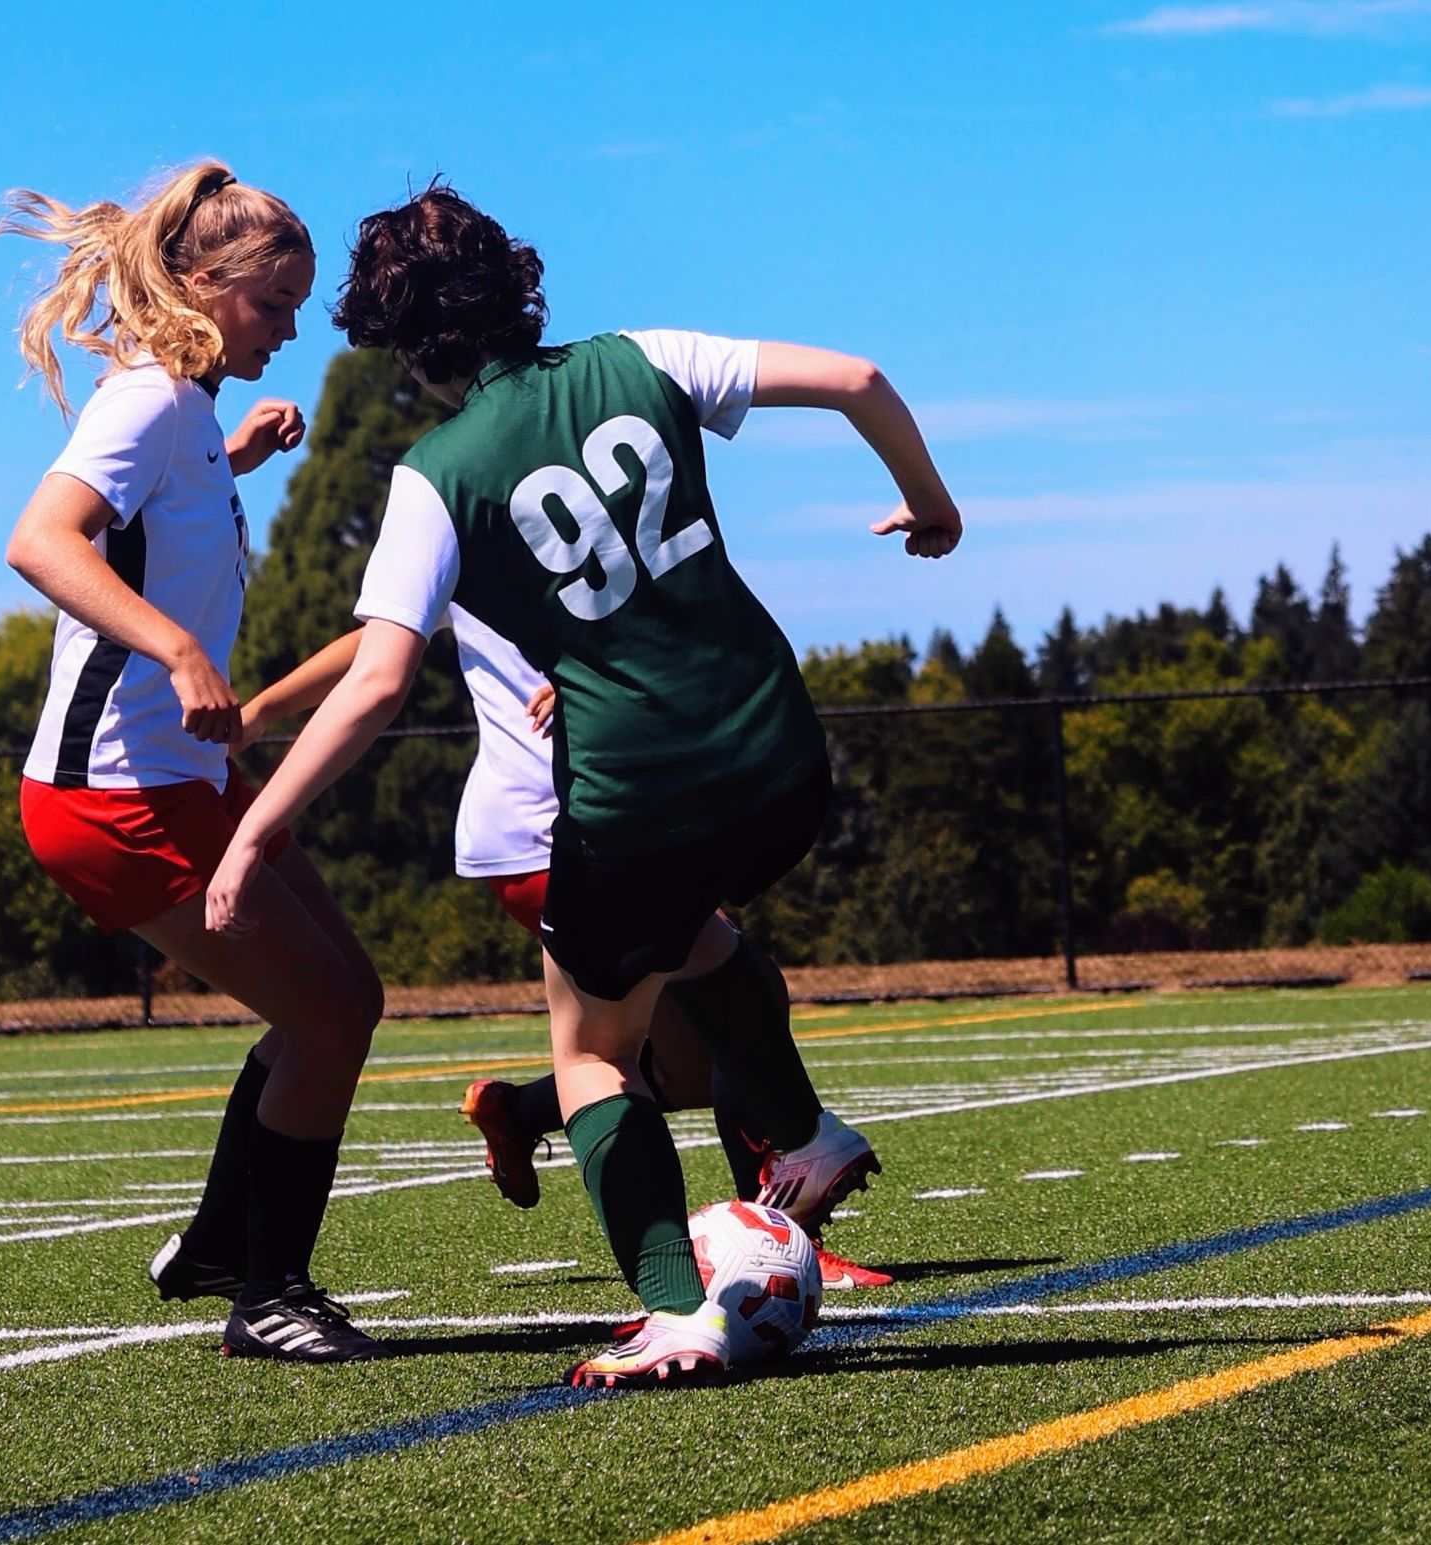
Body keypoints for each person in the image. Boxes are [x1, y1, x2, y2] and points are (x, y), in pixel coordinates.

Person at [206, 185, 961, 1386]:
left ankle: (678, 1307)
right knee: (706, 954)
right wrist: (932, 506)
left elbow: (379, 679)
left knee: (594, 1055)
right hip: (780, 762)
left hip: (640, 794)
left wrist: (258, 829)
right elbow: (861, 378)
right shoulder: (642, 358)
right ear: (518, 279)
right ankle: (805, 1135)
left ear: (401, 342)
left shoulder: (435, 474)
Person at [0, 160, 387, 1363]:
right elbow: (40, 543)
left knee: (346, 1004)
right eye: (276, 305)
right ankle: (268, 1295)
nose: (295, 329)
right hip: (110, 798)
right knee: (323, 1020)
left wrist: (237, 461)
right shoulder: (147, 402)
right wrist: (175, 651)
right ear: (202, 285)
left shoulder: (189, 413)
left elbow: (162, 523)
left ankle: (223, 1239)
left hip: (178, 780)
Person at [236, 615, 892, 1291]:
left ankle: (519, 1115)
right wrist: (262, 713)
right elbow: (384, 643)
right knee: (730, 1002)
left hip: (619, 808)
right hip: (553, 825)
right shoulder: (457, 508)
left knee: (690, 1062)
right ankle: (772, 1241)